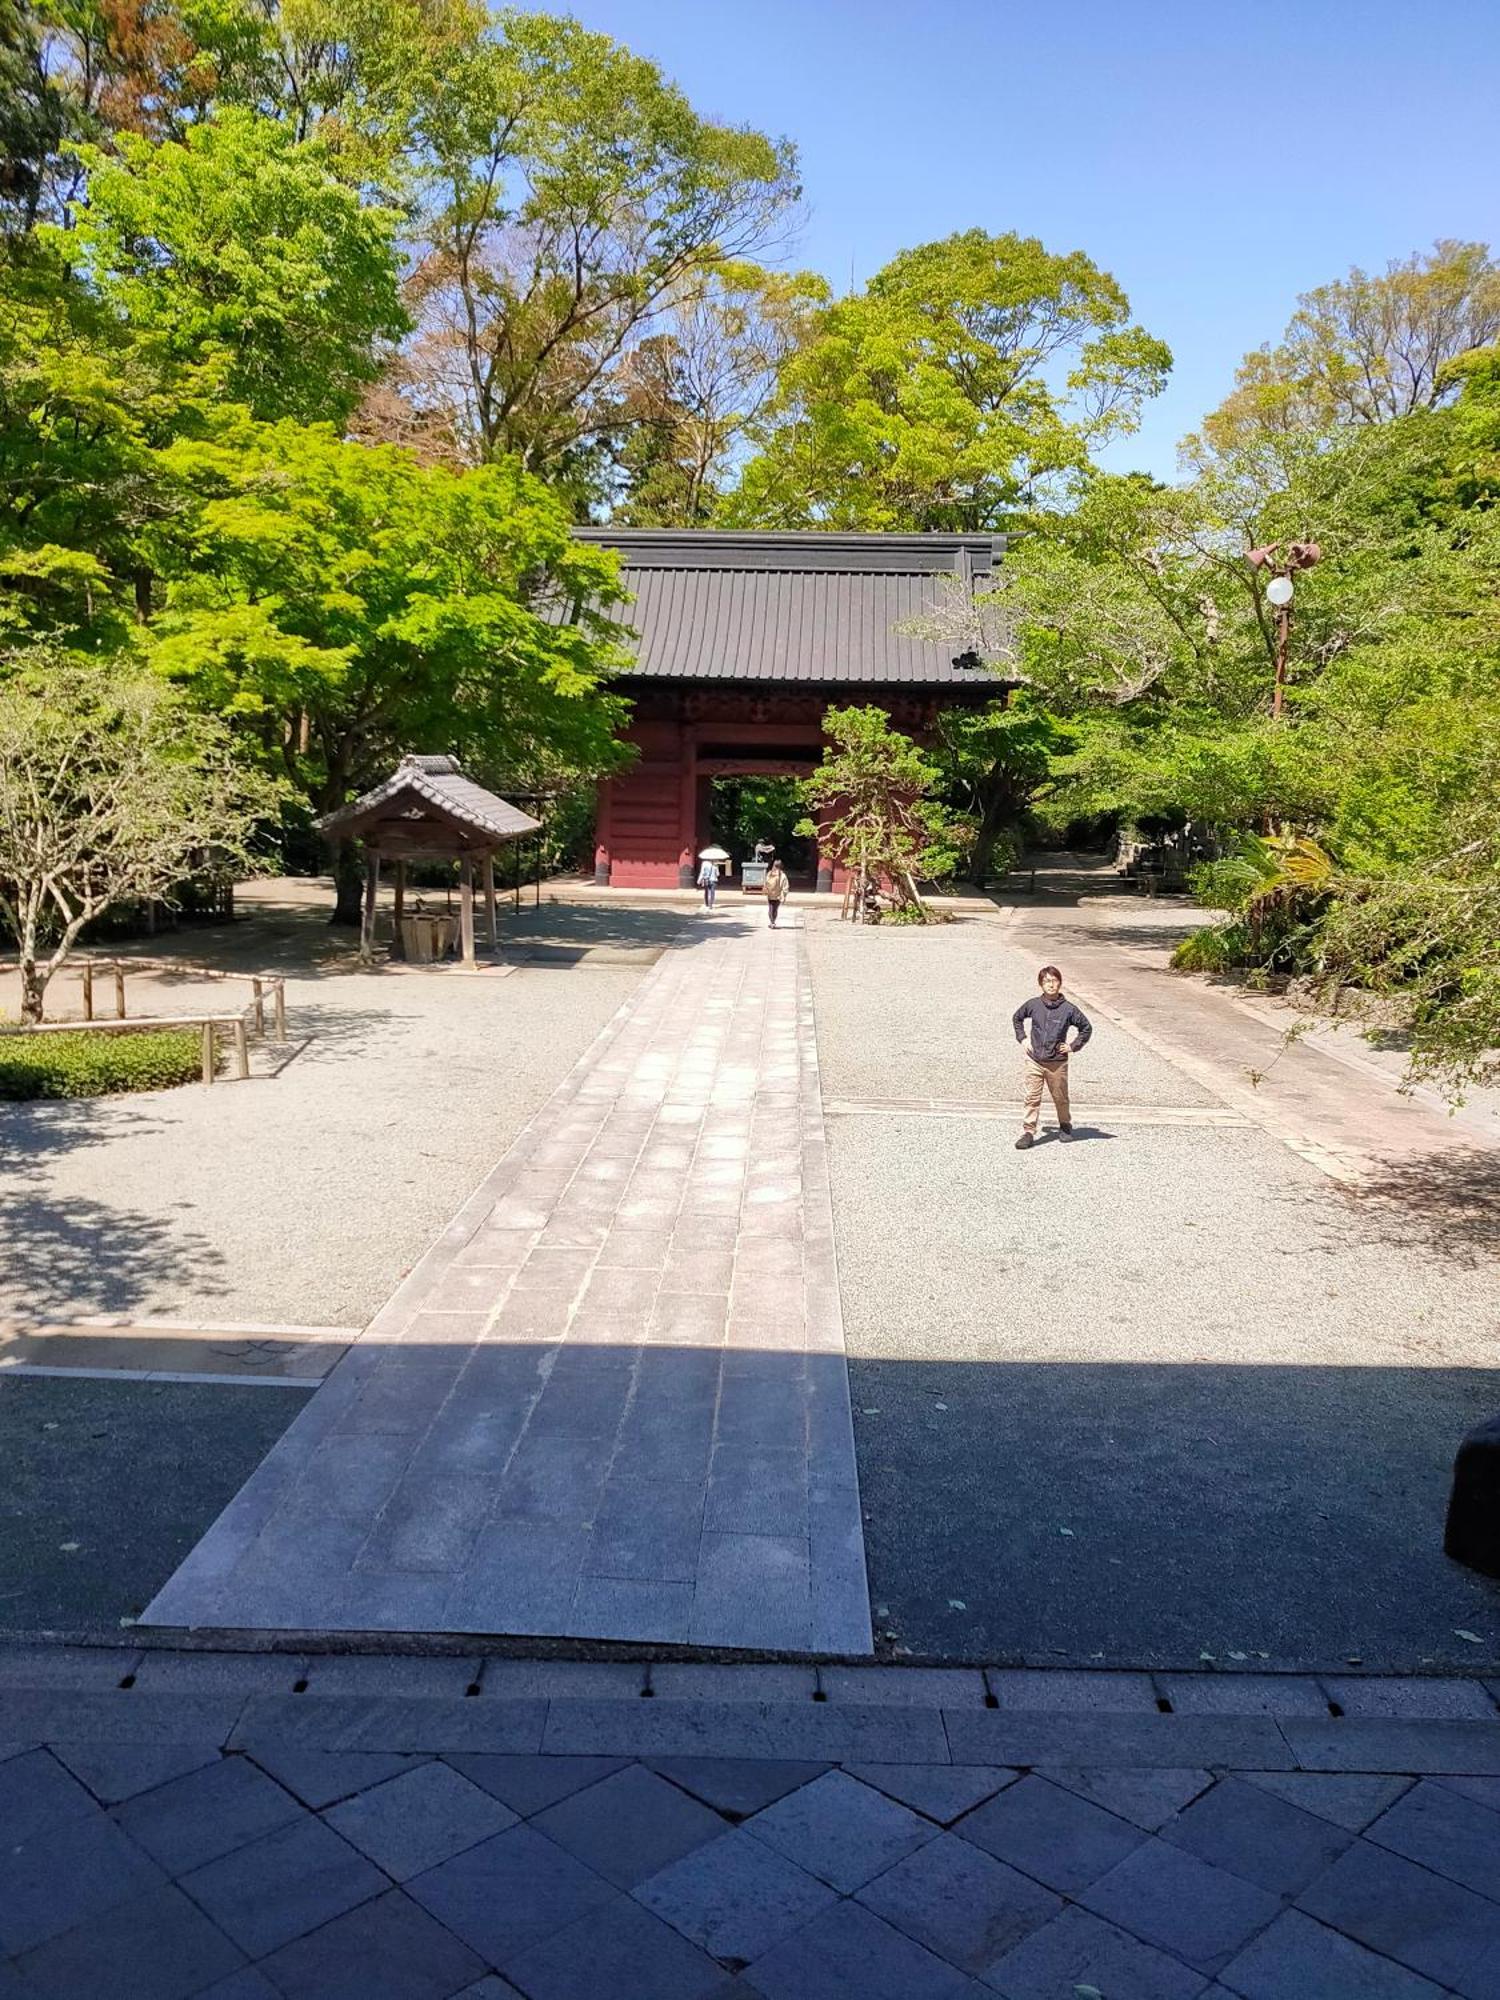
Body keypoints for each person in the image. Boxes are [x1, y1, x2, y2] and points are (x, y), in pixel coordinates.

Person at [1011, 964, 1091, 1149]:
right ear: (1041, 984)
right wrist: (1023, 1039)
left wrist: (1072, 1046)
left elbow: (1086, 1028)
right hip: (1035, 1059)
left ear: (1060, 983)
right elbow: (1017, 1018)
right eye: (1047, 981)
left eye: (1054, 980)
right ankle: (1028, 1132)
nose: (1051, 984)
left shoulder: (1069, 1009)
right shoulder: (1033, 1005)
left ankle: (1065, 1125)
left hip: (1057, 1062)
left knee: (1060, 1097)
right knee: (1031, 1097)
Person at [764, 857, 789, 927]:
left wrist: (766, 890)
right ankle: (773, 921)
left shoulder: (770, 873)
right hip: (778, 895)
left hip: (770, 894)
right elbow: (785, 886)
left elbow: (766, 882)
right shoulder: (783, 875)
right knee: (775, 909)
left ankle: (772, 922)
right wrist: (784, 895)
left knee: (770, 908)